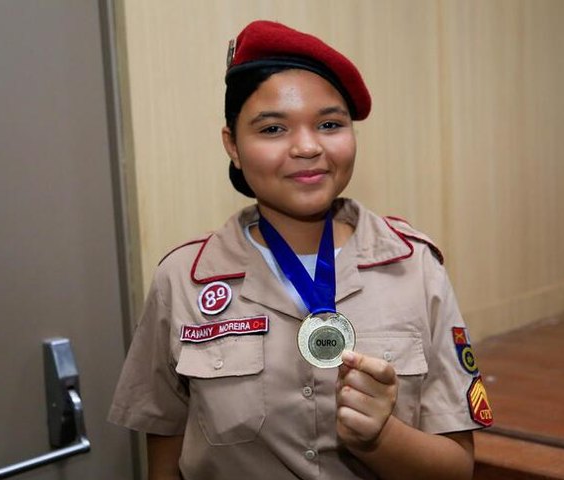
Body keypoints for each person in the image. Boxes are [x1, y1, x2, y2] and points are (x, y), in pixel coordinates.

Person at [109, 20, 492, 480]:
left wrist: (379, 437)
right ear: (233, 145)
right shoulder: (183, 280)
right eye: (273, 128)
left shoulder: (415, 267)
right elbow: (164, 456)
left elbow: (456, 468)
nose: (308, 147)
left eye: (329, 124)